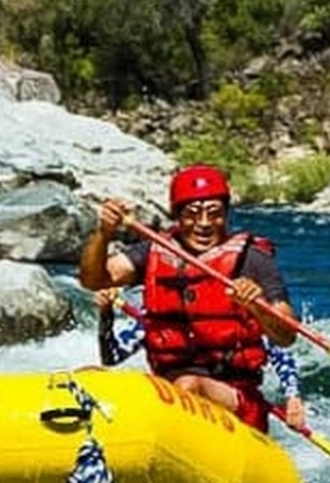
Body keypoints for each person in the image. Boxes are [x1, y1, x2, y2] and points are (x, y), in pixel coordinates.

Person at [80, 164, 306, 434]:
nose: (204, 223)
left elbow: (287, 335)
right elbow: (93, 279)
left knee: (189, 385)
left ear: (225, 215)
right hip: (168, 387)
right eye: (192, 214)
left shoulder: (252, 260)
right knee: (90, 377)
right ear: (177, 217)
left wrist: (257, 307)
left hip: (236, 398)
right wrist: (104, 234)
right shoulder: (154, 252)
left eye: (214, 214)